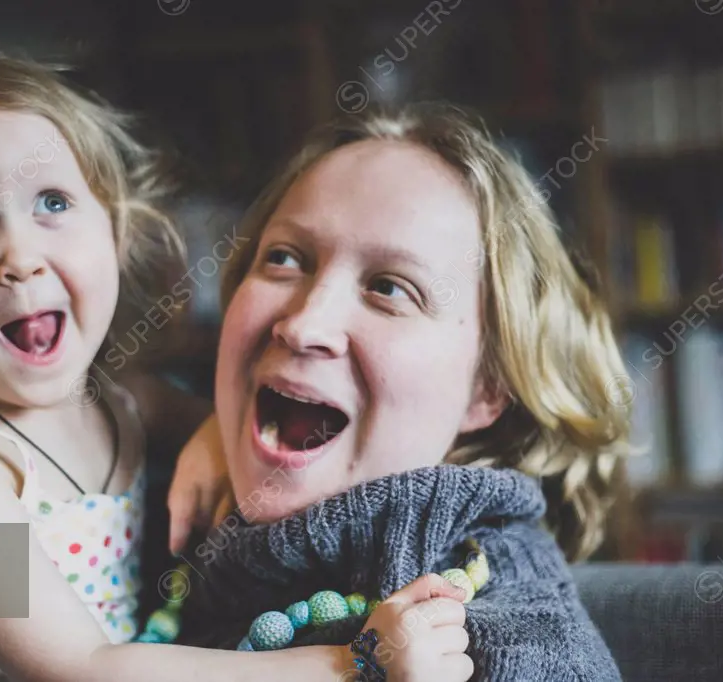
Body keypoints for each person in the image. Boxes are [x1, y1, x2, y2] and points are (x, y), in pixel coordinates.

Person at [0, 52, 451, 682]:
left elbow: (232, 425)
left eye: (53, 203)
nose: (20, 257)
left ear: (116, 232)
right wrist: (351, 664)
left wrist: (210, 439)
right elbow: (80, 667)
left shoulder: (122, 402)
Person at [167, 103, 630, 681]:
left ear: (488, 389)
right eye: (284, 258)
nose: (304, 324)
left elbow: (53, 658)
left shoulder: (503, 634)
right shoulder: (164, 501)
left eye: (390, 287)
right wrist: (197, 423)